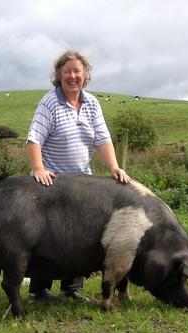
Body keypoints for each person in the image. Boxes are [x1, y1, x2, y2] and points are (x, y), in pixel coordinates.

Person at [25, 49, 131, 301]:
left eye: (77, 71)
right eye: (67, 72)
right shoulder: (49, 102)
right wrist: (39, 169)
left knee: (80, 235)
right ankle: (39, 290)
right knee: (49, 235)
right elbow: (34, 139)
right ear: (58, 76)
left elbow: (103, 140)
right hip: (53, 182)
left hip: (83, 181)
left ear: (85, 75)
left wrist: (114, 167)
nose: (72, 76)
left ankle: (72, 290)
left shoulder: (92, 103)